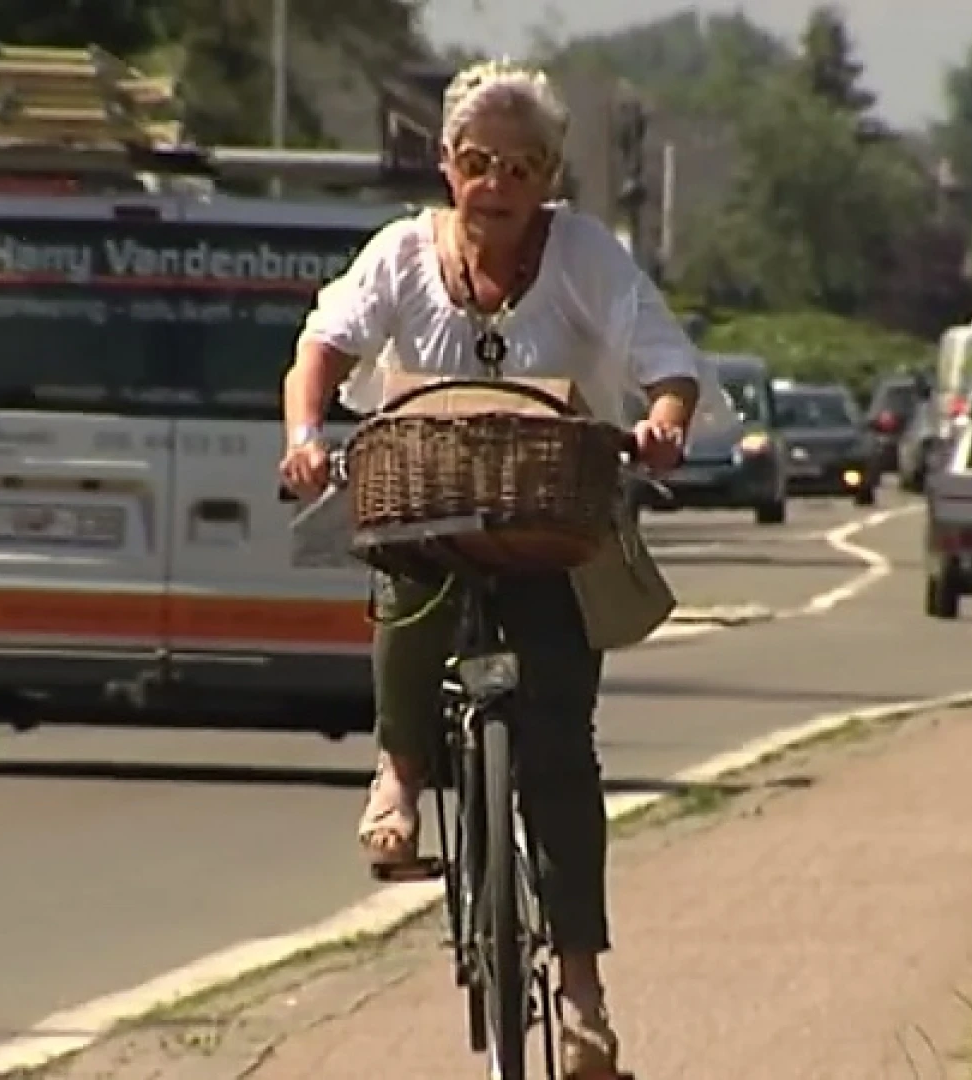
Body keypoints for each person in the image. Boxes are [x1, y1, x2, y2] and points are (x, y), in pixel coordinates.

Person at [278, 58, 701, 1078]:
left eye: (521, 165)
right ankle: (399, 775)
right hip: (426, 507)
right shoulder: (398, 255)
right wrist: (304, 432)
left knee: (559, 750)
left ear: (550, 173)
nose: (496, 184)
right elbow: (324, 348)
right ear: (446, 163)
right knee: (408, 590)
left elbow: (671, 360)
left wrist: (659, 425)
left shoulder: (588, 255)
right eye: (477, 161)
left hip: (553, 522)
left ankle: (587, 1001)